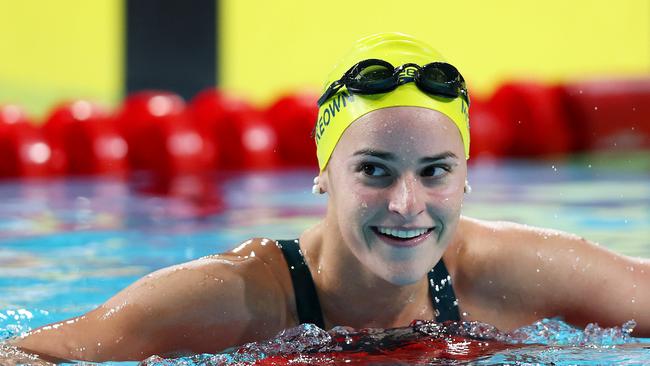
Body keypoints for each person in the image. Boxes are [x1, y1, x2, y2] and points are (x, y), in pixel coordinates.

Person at [8, 32, 650, 363]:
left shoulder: (507, 270)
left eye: (434, 172)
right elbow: (30, 354)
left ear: (465, 176)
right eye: (374, 171)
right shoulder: (240, 296)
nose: (407, 203)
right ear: (323, 174)